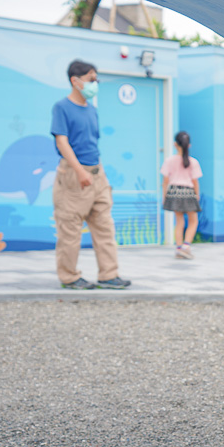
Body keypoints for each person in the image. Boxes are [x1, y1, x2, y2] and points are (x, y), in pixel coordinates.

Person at [51, 59, 131, 290]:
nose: (95, 84)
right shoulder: (62, 107)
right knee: (70, 229)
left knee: (105, 226)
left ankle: (109, 274)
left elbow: (92, 142)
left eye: (96, 79)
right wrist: (79, 171)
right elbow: (62, 141)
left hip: (97, 172)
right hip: (74, 174)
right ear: (75, 81)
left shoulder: (92, 110)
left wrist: (98, 172)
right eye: (90, 79)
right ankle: (69, 277)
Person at [160, 131, 203, 259]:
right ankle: (186, 246)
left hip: (174, 192)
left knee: (179, 221)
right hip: (188, 192)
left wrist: (165, 196)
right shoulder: (193, 162)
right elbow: (195, 182)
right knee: (193, 221)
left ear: (175, 144)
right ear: (189, 145)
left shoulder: (169, 160)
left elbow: (165, 181)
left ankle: (179, 248)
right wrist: (197, 195)